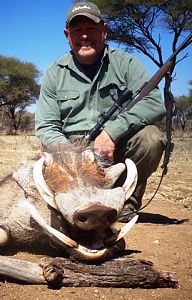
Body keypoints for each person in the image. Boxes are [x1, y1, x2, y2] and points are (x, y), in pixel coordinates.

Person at [35, 2, 166, 221]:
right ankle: (71, 201)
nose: (84, 36)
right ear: (67, 35)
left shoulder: (127, 64)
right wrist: (71, 157)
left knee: (150, 138)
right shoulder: (54, 73)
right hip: (72, 152)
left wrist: (112, 132)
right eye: (77, 31)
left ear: (104, 31)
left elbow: (154, 104)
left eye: (91, 29)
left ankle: (127, 203)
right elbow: (47, 127)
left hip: (114, 149)